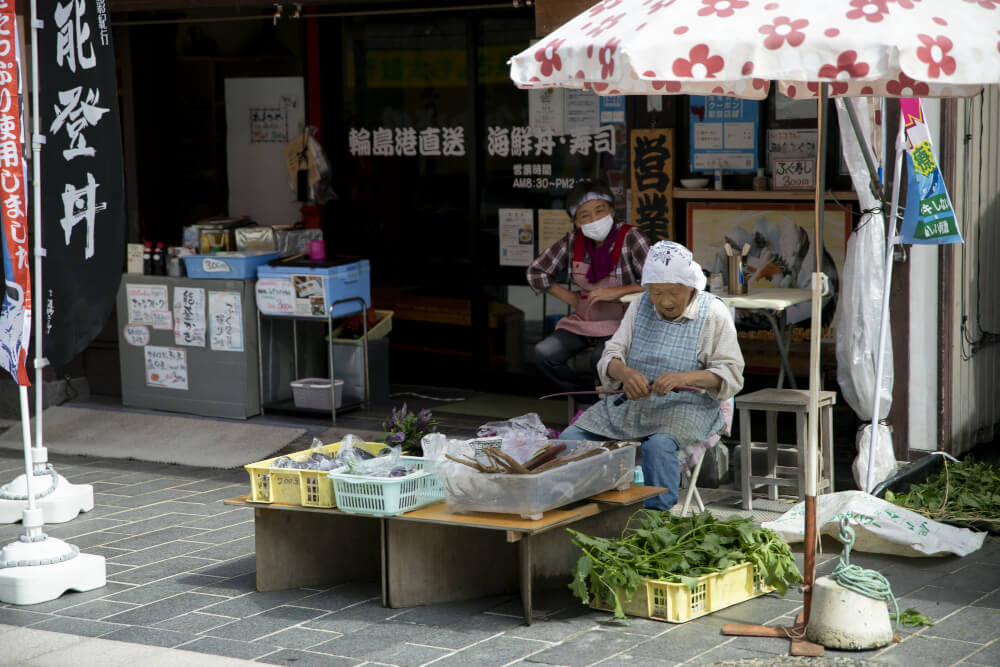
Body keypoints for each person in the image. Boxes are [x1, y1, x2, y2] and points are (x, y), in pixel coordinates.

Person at [560, 241, 745, 511]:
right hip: (632, 404)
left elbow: (731, 374)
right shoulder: (640, 305)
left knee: (658, 447)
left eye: (674, 292)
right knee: (570, 441)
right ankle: (588, 506)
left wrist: (684, 378)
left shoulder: (713, 311)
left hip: (685, 407)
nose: (665, 301)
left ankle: (657, 518)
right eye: (657, 292)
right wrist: (625, 373)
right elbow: (611, 354)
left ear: (692, 286)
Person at [526, 179, 650, 394]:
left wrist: (616, 292)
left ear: (612, 210)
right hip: (584, 321)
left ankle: (609, 403)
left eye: (599, 211)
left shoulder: (632, 237)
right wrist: (570, 298)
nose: (594, 219)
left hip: (622, 323)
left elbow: (655, 282)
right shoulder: (573, 241)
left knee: (601, 360)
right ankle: (584, 396)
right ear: (576, 222)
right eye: (585, 215)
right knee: (545, 353)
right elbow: (537, 272)